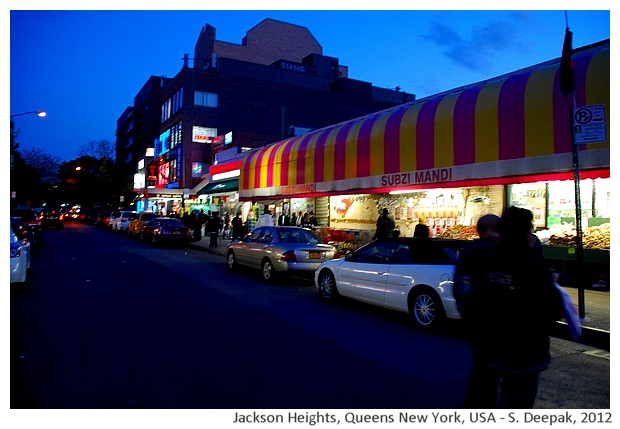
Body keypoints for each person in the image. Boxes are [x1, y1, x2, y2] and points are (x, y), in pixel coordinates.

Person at [459, 207, 564, 408]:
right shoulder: (534, 263)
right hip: (527, 350)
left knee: (488, 389)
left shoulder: (488, 260)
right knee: (518, 399)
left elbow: (475, 297)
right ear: (527, 232)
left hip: (495, 345)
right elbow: (553, 309)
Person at [453, 214, 501, 408]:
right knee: (491, 370)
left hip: (476, 318)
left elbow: (462, 286)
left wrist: (466, 312)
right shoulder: (499, 250)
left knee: (481, 366)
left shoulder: (468, 251)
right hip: (494, 320)